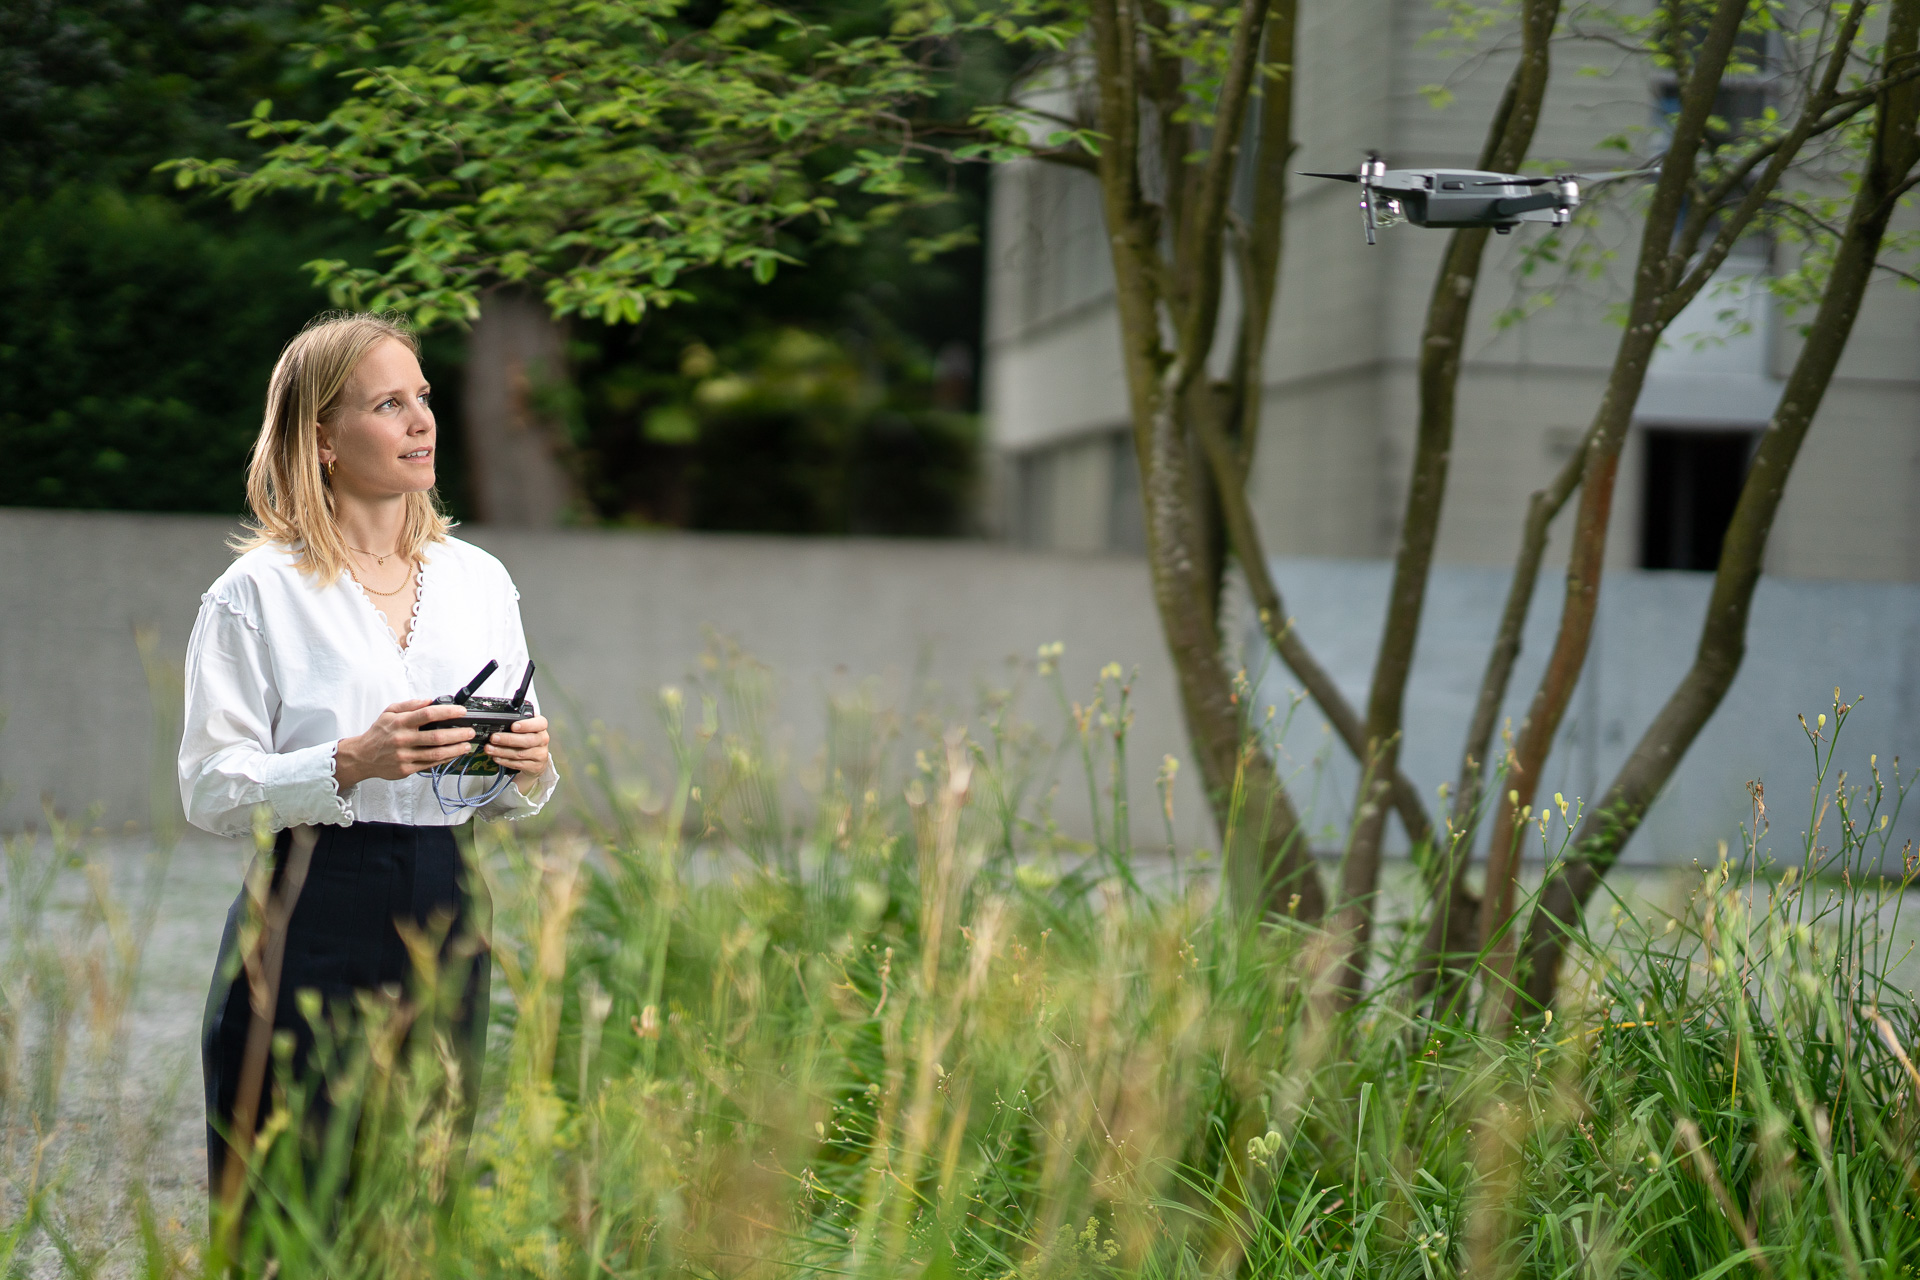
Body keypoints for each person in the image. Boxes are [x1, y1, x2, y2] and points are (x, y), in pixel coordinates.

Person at [180, 311, 558, 1208]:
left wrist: (526, 762)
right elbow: (207, 787)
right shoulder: (255, 594)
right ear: (321, 437)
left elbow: (514, 791)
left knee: (419, 1204)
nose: (423, 420)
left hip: (447, 900)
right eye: (390, 403)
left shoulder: (480, 580)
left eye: (422, 398)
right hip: (307, 906)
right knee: (285, 1201)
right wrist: (346, 762)